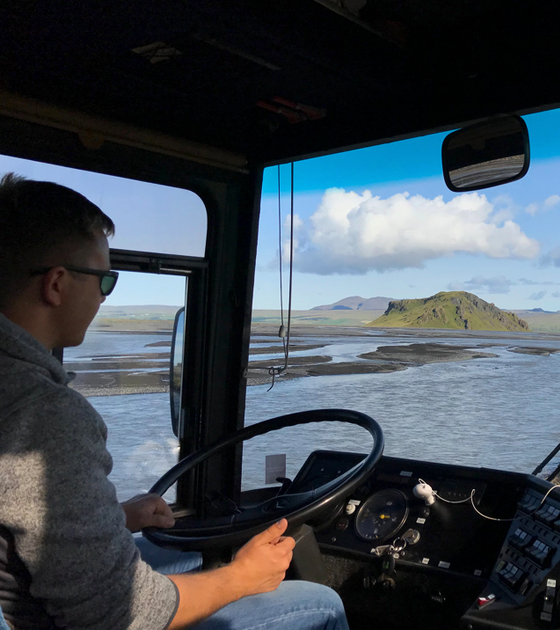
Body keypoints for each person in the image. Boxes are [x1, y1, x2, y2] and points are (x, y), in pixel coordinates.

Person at [0, 173, 349, 630]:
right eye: (105, 280)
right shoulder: (44, 414)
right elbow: (120, 613)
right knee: (321, 603)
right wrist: (242, 577)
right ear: (57, 285)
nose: (105, 297)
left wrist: (118, 516)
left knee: (181, 551)